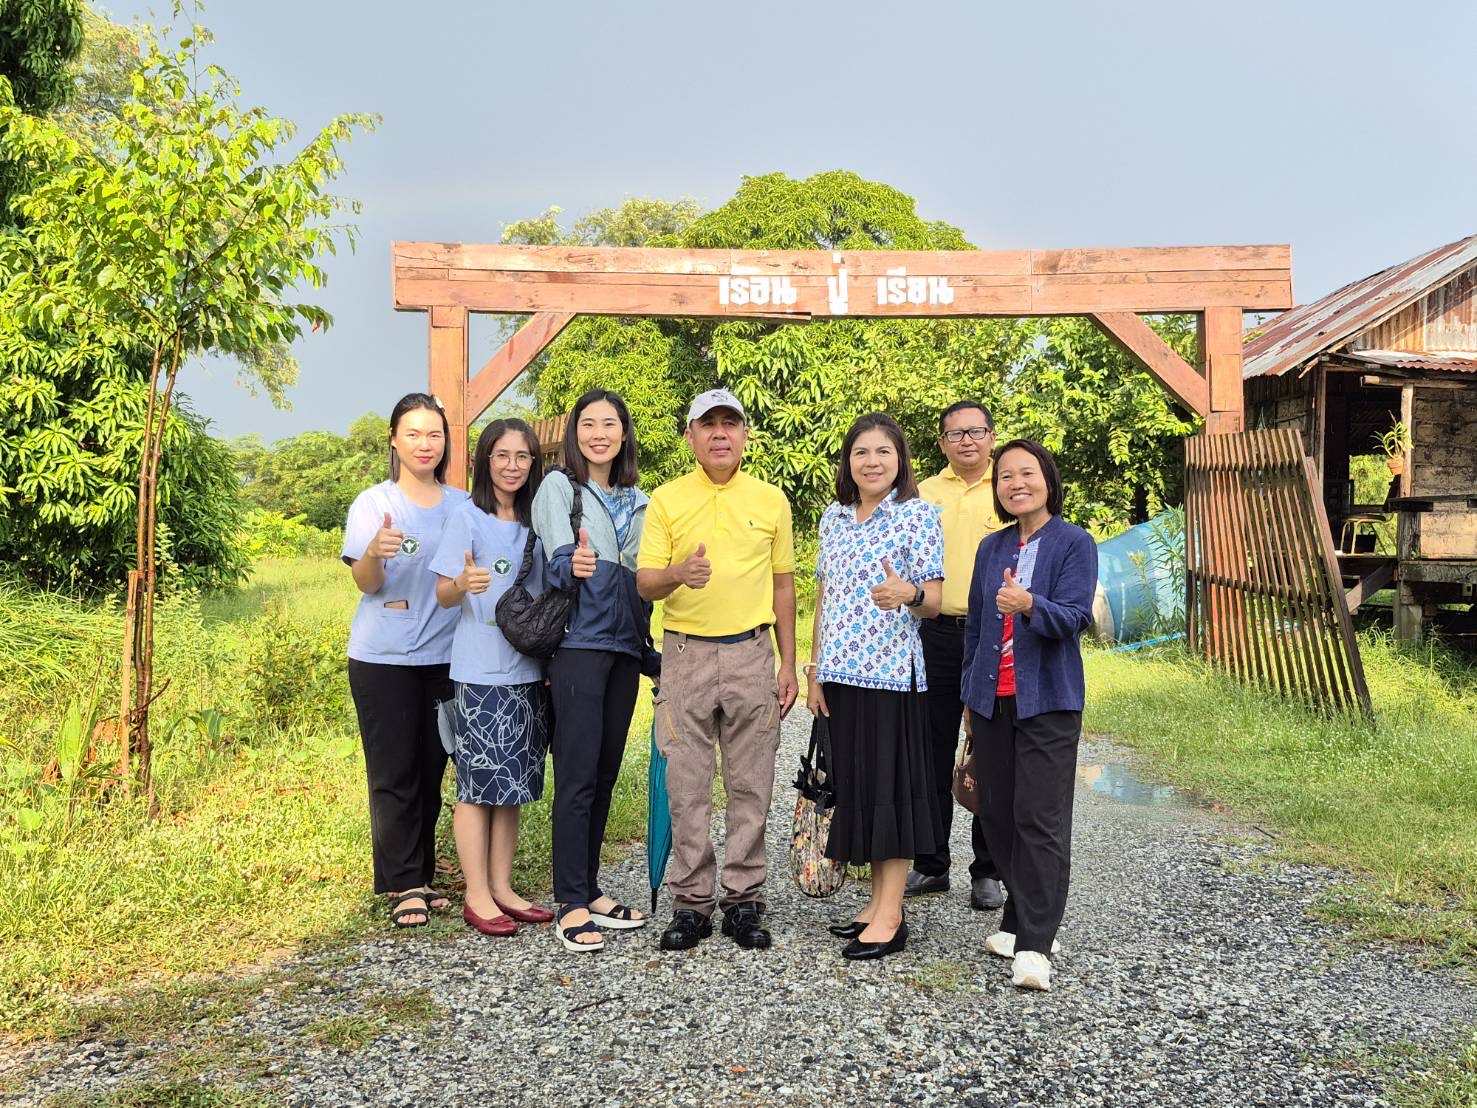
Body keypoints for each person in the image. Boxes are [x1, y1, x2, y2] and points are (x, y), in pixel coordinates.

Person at [636, 389, 798, 952]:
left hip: (753, 652)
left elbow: (783, 583)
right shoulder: (666, 500)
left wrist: (789, 663)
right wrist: (679, 571)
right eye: (708, 425)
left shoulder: (772, 499)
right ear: (691, 436)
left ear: (746, 434)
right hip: (685, 655)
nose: (720, 434)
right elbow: (646, 582)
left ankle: (745, 899)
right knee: (687, 784)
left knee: (751, 781)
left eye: (731, 423)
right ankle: (691, 902)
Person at [805, 412, 944, 961]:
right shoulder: (832, 519)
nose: (872, 461)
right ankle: (873, 903)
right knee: (859, 789)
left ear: (900, 459)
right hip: (840, 677)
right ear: (848, 461)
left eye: (883, 451)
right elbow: (825, 598)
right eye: (861, 452)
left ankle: (891, 913)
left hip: (892, 677)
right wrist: (814, 670)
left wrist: (907, 593)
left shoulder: (917, 516)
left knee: (889, 790)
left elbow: (932, 601)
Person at [962, 439, 1096, 992]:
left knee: (1040, 820)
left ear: (1048, 480)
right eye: (1006, 476)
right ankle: (1022, 921)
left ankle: (1037, 944)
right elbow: (974, 626)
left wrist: (1029, 606)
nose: (1016, 483)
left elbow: (1075, 616)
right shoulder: (992, 549)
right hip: (993, 700)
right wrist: (971, 699)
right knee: (997, 815)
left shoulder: (1074, 542)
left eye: (1028, 473)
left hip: (1048, 702)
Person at [532, 389, 659, 953]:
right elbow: (562, 557)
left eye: (610, 423)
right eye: (588, 423)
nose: (599, 433)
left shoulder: (641, 500)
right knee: (578, 775)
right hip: (579, 647)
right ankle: (571, 901)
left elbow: (646, 580)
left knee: (605, 773)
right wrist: (573, 562)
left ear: (625, 434)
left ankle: (592, 890)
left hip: (625, 650)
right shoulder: (559, 487)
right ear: (574, 433)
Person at [342, 393, 469, 928]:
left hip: (445, 658)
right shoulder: (374, 503)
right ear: (394, 439)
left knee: (431, 764)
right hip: (383, 659)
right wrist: (374, 552)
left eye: (434, 434)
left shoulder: (463, 504)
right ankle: (403, 884)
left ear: (445, 442)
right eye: (413, 433)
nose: (425, 444)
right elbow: (367, 584)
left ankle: (422, 873)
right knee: (393, 769)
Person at [431, 419, 553, 938]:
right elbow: (441, 594)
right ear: (484, 461)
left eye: (522, 457)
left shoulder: (536, 522)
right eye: (502, 456)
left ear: (533, 464)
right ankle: (476, 894)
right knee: (478, 785)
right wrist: (461, 583)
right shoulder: (466, 518)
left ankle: (502, 887)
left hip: (527, 668)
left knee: (513, 785)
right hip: (480, 670)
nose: (512, 466)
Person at [908, 401, 1007, 911]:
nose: (967, 441)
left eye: (976, 431)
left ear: (991, 436)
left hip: (995, 634)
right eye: (955, 434)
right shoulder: (923, 494)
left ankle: (987, 870)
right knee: (930, 748)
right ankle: (931, 863)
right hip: (937, 633)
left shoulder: (1010, 488)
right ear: (942, 441)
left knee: (988, 747)